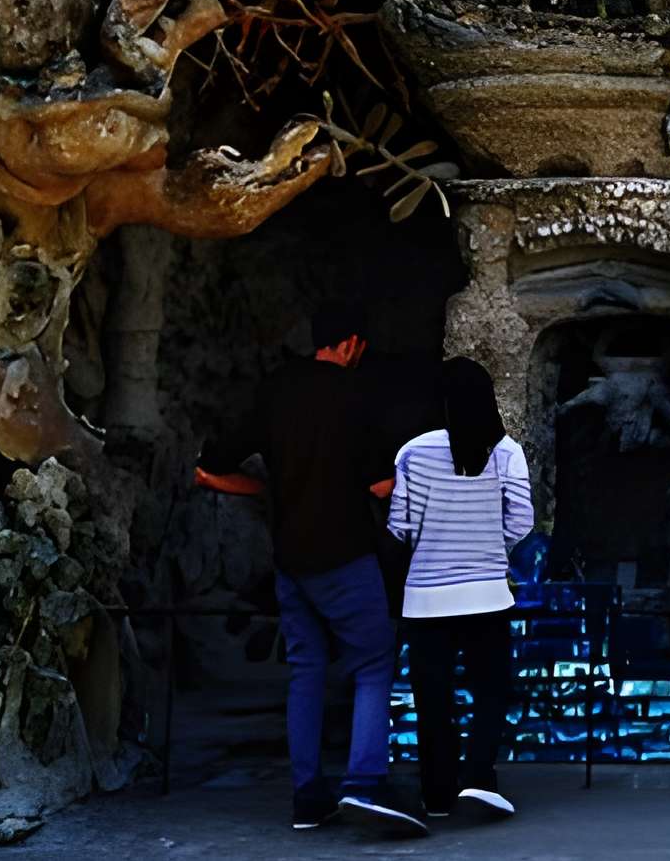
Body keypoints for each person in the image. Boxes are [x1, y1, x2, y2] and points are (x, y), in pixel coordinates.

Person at [197, 299, 419, 835]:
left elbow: (208, 471)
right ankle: (365, 783)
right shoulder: (356, 395)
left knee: (306, 670)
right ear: (351, 344)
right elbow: (380, 486)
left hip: (290, 560)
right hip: (345, 554)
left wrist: (267, 492)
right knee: (373, 662)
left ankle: (307, 797)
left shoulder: (277, 389)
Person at [388, 359, 535, 823]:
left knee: (433, 699)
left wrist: (433, 544)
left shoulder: (412, 452)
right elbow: (522, 520)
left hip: (425, 599)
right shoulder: (506, 451)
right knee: (491, 691)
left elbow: (399, 525)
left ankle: (437, 794)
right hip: (487, 595)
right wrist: (490, 546)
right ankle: (478, 779)